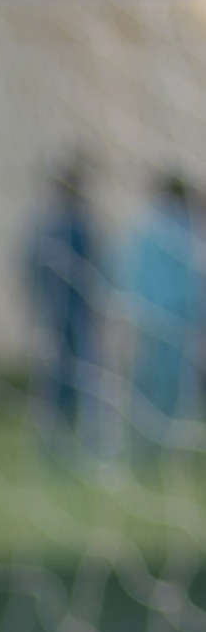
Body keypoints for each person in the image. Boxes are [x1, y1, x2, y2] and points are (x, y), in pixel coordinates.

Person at [114, 172, 202, 462]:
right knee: (173, 386)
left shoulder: (146, 228)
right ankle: (167, 448)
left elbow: (129, 274)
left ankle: (144, 446)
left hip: (152, 317)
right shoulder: (187, 229)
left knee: (150, 383)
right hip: (180, 317)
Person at [24, 156, 104, 459]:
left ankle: (81, 440)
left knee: (77, 376)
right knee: (60, 376)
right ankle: (56, 441)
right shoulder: (52, 226)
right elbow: (30, 267)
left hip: (74, 313)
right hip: (62, 314)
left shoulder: (76, 224)